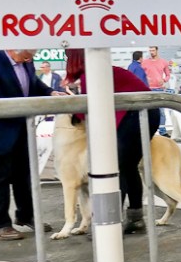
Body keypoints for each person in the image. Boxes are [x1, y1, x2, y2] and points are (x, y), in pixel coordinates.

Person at [64, 48, 160, 234]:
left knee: (119, 167)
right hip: (148, 113)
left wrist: (71, 111)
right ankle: (135, 218)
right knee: (127, 167)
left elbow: (88, 106)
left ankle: (111, 223)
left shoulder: (91, 73)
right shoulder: (101, 70)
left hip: (137, 115)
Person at [0, 49, 57, 241]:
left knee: (23, 176)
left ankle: (26, 216)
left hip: (19, 129)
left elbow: (32, 85)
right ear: (12, 47)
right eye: (27, 54)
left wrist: (50, 92)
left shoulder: (25, 59)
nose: (31, 58)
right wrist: (24, 108)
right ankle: (1, 225)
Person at [141, 45, 171, 136]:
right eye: (150, 50)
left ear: (157, 50)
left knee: (161, 111)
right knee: (149, 111)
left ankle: (163, 131)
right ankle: (149, 131)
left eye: (153, 50)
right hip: (149, 89)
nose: (151, 52)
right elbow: (141, 74)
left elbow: (168, 75)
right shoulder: (144, 62)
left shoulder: (163, 62)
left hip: (159, 89)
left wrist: (164, 80)